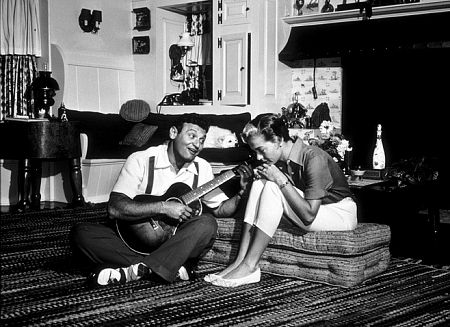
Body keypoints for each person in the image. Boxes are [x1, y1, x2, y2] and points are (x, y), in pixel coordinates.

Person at [71, 113, 252, 287]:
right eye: (192, 136)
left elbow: (220, 210)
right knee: (82, 233)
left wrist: (241, 193)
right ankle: (166, 266)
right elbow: (115, 208)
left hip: (173, 241)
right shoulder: (140, 160)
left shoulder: (202, 167)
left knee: (207, 223)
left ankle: (132, 271)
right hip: (130, 240)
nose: (197, 144)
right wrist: (164, 208)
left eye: (202, 140)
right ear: (173, 133)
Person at [205, 114, 357, 287]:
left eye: (261, 150)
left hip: (339, 212)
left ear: (278, 139)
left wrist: (279, 178)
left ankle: (251, 265)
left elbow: (308, 216)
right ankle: (240, 261)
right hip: (316, 211)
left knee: (271, 186)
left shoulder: (313, 157)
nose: (259, 157)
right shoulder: (278, 159)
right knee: (259, 183)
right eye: (255, 151)